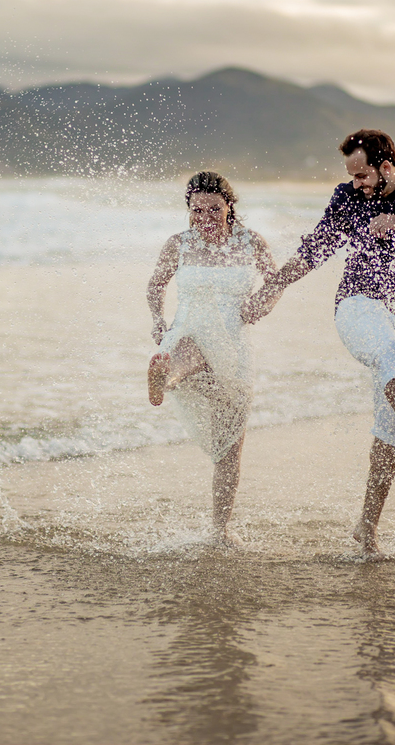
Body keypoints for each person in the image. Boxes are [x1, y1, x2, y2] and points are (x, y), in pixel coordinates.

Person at [243, 129, 395, 558]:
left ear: (386, 166)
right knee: (388, 356)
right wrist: (272, 286)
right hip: (358, 303)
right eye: (351, 175)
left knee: (389, 424)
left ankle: (367, 530)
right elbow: (315, 249)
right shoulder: (347, 198)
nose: (356, 184)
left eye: (362, 175)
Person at [146, 171, 280, 547]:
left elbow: (274, 283)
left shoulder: (252, 242)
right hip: (188, 330)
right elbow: (156, 284)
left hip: (233, 347)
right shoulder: (178, 244)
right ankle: (166, 375)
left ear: (229, 206)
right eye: (197, 210)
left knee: (229, 447)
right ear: (188, 210)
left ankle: (220, 530)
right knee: (189, 347)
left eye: (214, 209)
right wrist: (158, 319)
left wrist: (262, 304)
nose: (205, 218)